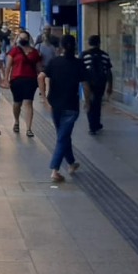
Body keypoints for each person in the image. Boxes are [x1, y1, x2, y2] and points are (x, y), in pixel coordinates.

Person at [43, 34, 87, 183]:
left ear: (60, 47)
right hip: (71, 105)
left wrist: (45, 96)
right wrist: (87, 100)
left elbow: (40, 77)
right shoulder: (78, 63)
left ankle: (71, 163)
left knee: (63, 135)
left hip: (55, 104)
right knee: (63, 137)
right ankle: (55, 170)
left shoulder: (54, 62)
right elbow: (85, 83)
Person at [3, 31, 42, 137]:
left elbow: (39, 67)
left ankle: (29, 128)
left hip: (30, 80)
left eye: (25, 38)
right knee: (17, 103)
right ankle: (16, 121)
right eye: (21, 38)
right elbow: (8, 66)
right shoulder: (14, 51)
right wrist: (6, 79)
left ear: (28, 39)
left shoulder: (34, 52)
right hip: (16, 80)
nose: (23, 39)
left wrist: (43, 78)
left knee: (28, 103)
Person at [81, 35, 114, 134]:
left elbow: (80, 70)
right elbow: (108, 71)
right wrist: (110, 86)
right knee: (98, 102)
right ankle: (96, 123)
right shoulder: (104, 55)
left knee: (89, 102)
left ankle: (92, 126)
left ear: (89, 43)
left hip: (88, 83)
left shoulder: (84, 55)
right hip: (101, 83)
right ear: (99, 43)